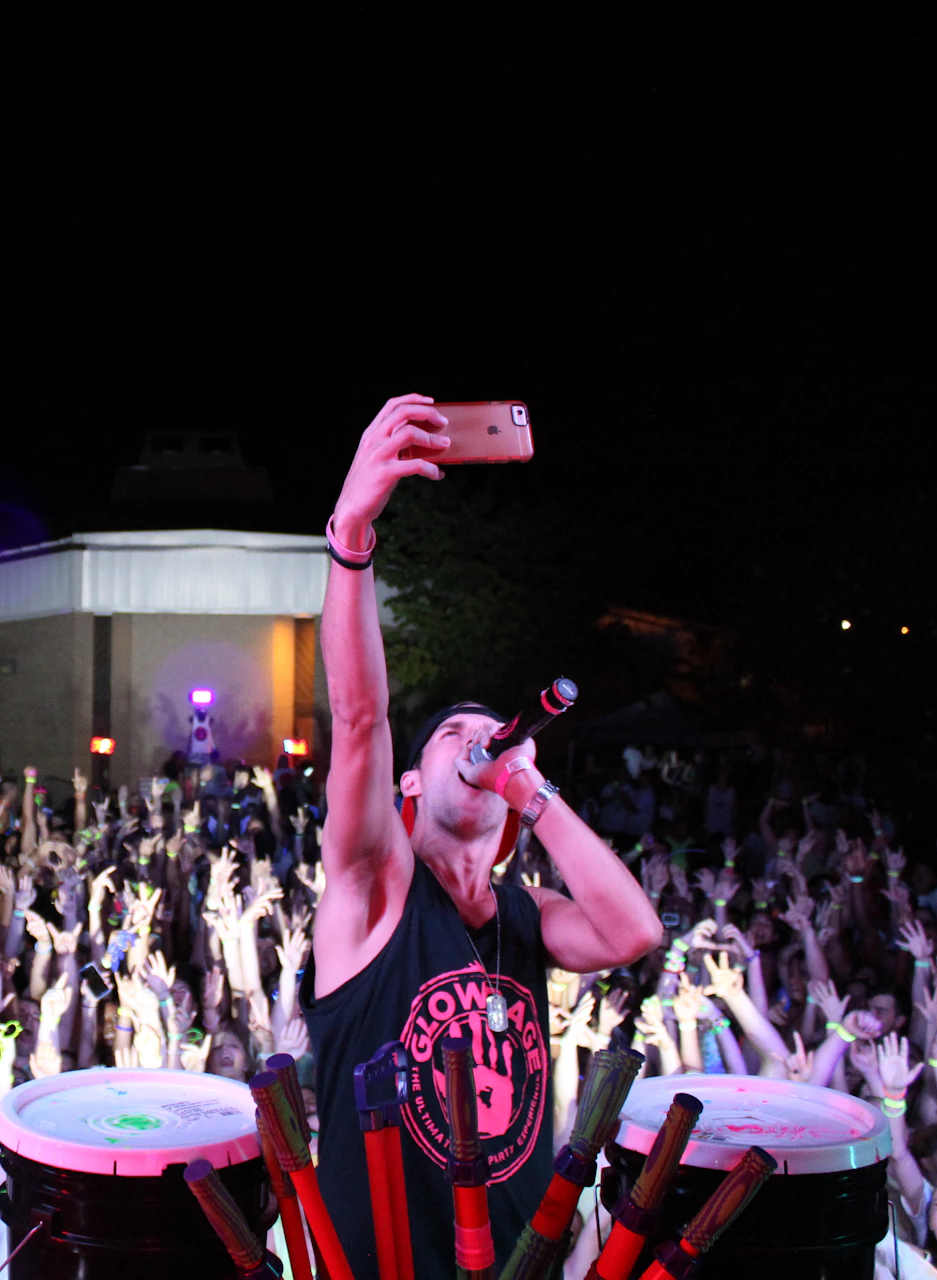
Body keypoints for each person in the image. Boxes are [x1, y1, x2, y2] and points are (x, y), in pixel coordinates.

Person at [305, 395, 664, 1278]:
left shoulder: (525, 915)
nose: (478, 741)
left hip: (513, 1266)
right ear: (411, 783)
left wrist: (534, 792)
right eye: (449, 737)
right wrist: (352, 534)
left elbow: (635, 933)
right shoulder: (374, 888)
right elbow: (358, 717)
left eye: (491, 732)